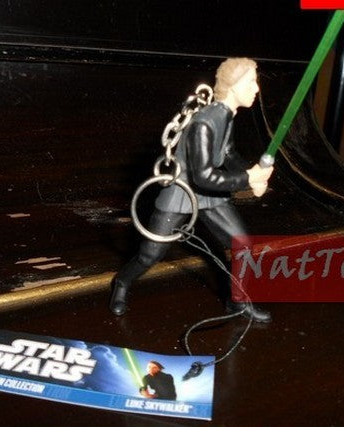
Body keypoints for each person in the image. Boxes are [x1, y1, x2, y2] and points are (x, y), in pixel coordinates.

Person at [110, 58, 274, 322]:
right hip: (182, 192)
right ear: (233, 85)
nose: (256, 88)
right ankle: (121, 283)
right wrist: (247, 179)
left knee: (242, 246)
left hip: (210, 195)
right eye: (251, 82)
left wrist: (252, 174)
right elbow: (204, 176)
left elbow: (228, 153)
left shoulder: (226, 115)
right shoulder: (204, 123)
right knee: (150, 254)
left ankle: (238, 303)